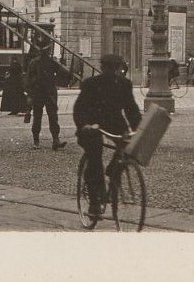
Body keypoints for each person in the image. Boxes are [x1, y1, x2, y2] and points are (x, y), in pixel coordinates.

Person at [72, 52, 141, 229]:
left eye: (117, 69)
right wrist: (84, 125)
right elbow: (80, 108)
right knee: (94, 155)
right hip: (92, 123)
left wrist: (139, 129)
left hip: (115, 123)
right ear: (103, 69)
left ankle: (113, 171)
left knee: (129, 146)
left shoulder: (124, 85)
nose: (114, 73)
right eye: (110, 69)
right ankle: (95, 201)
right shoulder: (91, 84)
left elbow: (131, 109)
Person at [25, 45, 67, 150]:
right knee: (50, 117)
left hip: (42, 92)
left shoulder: (35, 62)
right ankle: (52, 140)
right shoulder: (50, 62)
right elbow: (62, 73)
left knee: (40, 117)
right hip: (46, 92)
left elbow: (28, 80)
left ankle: (43, 141)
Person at [0, 55, 31, 121]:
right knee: (18, 97)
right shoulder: (18, 65)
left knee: (13, 97)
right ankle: (20, 109)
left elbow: (9, 74)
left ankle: (14, 110)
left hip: (13, 84)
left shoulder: (13, 65)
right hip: (18, 83)